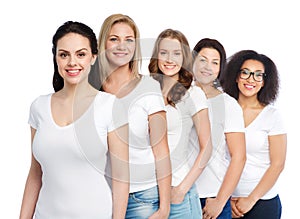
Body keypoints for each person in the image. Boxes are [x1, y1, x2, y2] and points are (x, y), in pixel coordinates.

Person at [19, 21, 129, 218]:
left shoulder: (110, 106)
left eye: (81, 54)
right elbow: (36, 173)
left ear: (93, 57)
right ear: (56, 58)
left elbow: (121, 177)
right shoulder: (39, 107)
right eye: (64, 55)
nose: (72, 62)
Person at [93, 14, 172, 219]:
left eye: (129, 40)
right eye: (114, 39)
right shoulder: (91, 90)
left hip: (141, 197)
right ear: (103, 44)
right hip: (100, 195)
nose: (122, 46)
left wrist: (164, 208)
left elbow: (161, 150)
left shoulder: (149, 88)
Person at [148, 29, 212, 218]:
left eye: (176, 53)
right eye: (164, 53)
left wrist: (182, 189)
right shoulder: (146, 91)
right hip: (149, 193)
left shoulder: (193, 94)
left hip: (178, 194)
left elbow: (206, 147)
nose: (170, 59)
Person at [220, 50, 287, 218]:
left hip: (262, 202)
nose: (251, 79)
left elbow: (277, 164)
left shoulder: (272, 116)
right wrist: (223, 200)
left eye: (258, 75)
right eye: (245, 73)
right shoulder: (222, 110)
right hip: (224, 200)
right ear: (236, 77)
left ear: (264, 82)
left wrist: (251, 199)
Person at [189, 38, 246, 219]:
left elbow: (239, 157)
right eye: (203, 60)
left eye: (215, 62)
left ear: (221, 68)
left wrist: (220, 202)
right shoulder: (178, 95)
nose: (208, 67)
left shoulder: (228, 105)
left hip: (211, 197)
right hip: (179, 193)